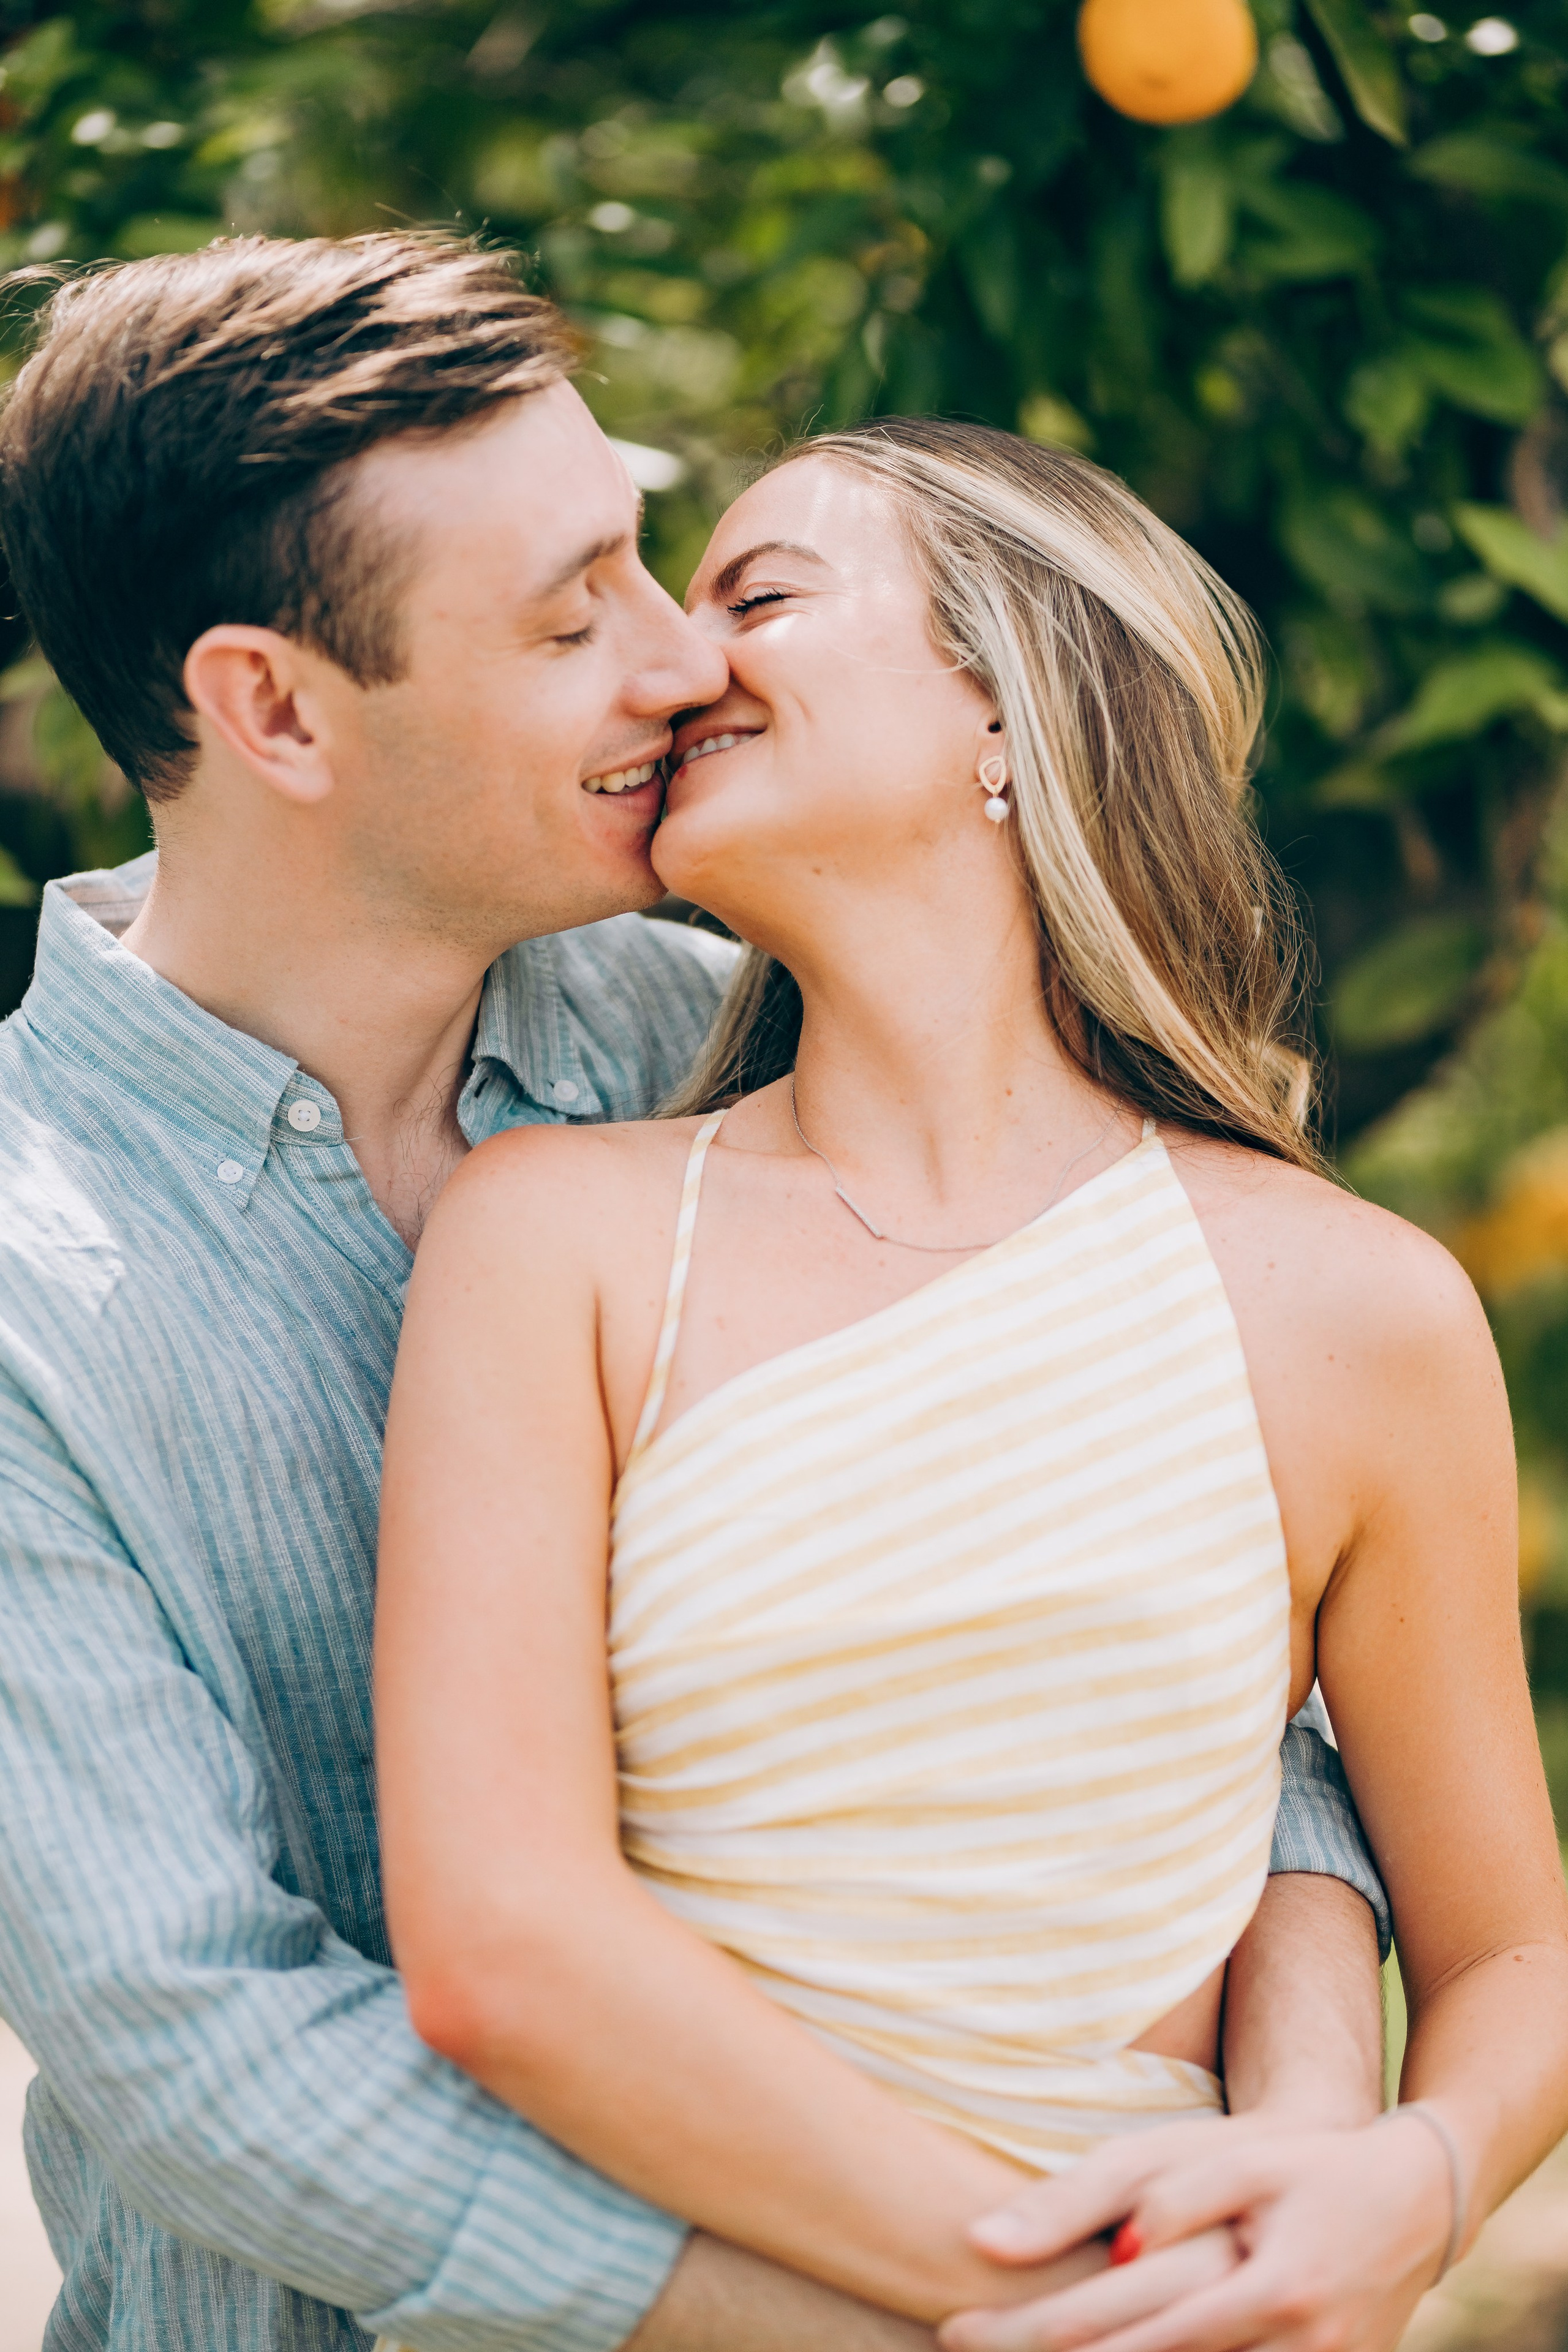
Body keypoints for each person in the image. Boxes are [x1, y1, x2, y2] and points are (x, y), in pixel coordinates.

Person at [0, 231, 1382, 2352]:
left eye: (651, 566)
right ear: (271, 706)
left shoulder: (724, 1037)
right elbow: (211, 2056)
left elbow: (1204, 1634)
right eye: (574, 619)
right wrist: (1021, 2313)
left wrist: (1314, 2172)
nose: (675, 666)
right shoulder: (26, 1288)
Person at [375, 416, 1568, 2352]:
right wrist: (1085, 2299)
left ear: (1011, 706)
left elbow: (1512, 1942)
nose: (683, 665)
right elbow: (504, 1948)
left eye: (761, 594)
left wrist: (1406, 2187)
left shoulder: (1363, 1313)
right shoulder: (558, 1238)